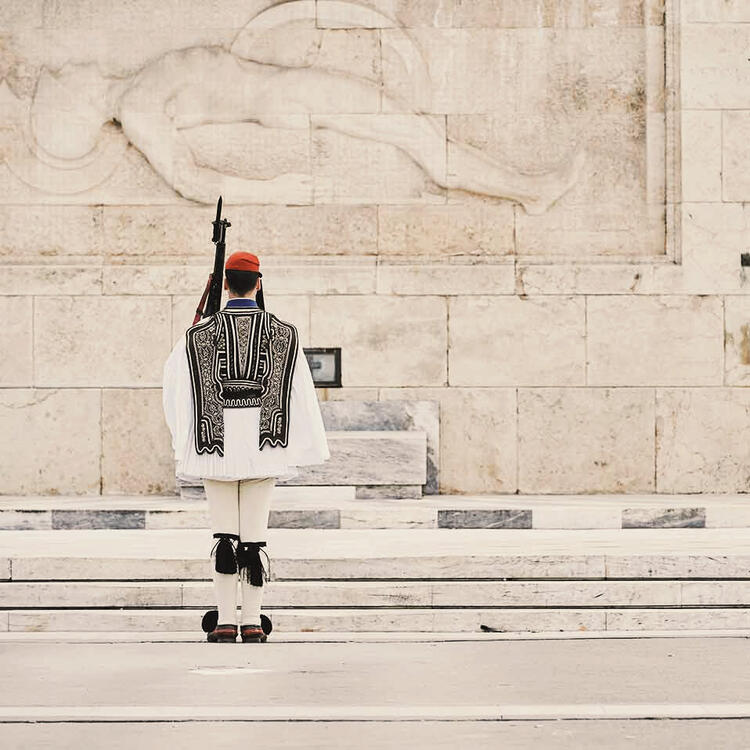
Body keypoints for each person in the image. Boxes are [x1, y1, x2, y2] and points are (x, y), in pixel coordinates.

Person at [162, 250, 330, 643]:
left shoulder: (197, 334)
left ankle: (223, 621)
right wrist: (299, 445)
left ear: (224, 284)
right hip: (264, 447)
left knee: (224, 535)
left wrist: (184, 438)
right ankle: (252, 621)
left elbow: (173, 388)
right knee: (253, 537)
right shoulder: (285, 334)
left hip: (213, 446)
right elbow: (301, 395)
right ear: (258, 283)